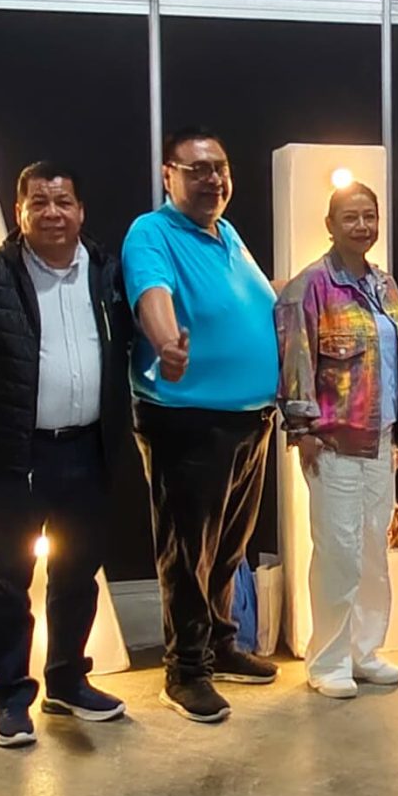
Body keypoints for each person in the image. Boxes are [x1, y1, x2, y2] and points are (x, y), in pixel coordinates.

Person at [0, 162, 135, 747]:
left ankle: (67, 680)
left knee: (78, 573)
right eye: (39, 203)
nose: (52, 213)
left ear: (81, 211)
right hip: (14, 451)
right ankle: (11, 696)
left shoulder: (110, 273)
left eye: (63, 202)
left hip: (89, 446)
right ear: (20, 212)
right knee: (9, 578)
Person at [122, 128, 283, 723]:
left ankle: (219, 643)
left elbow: (253, 302)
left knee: (228, 547)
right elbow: (153, 294)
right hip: (187, 419)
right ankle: (186, 671)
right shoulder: (152, 232)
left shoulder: (227, 233)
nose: (212, 178)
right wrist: (167, 344)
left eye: (220, 168)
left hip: (249, 419)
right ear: (168, 175)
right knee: (188, 552)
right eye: (197, 169)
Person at [276, 181, 398, 697]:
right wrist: (301, 428)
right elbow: (295, 359)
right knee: (338, 551)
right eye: (350, 217)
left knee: (373, 551)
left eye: (369, 216)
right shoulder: (309, 286)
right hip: (333, 441)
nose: (362, 226)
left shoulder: (385, 284)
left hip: (381, 439)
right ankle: (327, 660)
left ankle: (363, 650)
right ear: (330, 225)